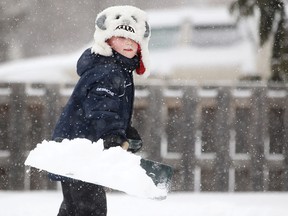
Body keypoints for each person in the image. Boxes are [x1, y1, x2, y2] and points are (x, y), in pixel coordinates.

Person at [50, 5, 151, 216]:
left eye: (133, 40)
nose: (127, 43)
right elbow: (101, 108)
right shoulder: (109, 70)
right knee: (91, 209)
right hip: (81, 151)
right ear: (106, 40)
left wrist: (124, 131)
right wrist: (112, 135)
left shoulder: (116, 68)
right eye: (121, 37)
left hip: (76, 148)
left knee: (73, 209)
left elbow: (108, 107)